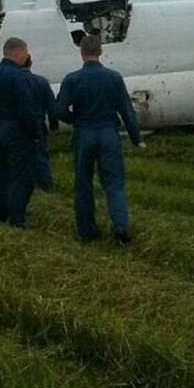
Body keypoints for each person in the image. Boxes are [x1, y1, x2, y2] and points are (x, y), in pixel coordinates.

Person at [56, 34, 146, 244]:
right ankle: (121, 228)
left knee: (83, 184)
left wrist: (75, 120)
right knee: (114, 183)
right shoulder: (114, 77)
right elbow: (126, 109)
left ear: (81, 53)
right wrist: (136, 138)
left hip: (84, 134)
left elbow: (59, 110)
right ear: (100, 52)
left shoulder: (72, 79)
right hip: (108, 133)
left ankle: (87, 231)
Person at [0, 37, 39, 228]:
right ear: (17, 53)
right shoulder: (18, 76)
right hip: (14, 129)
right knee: (19, 175)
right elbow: (26, 108)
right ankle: (17, 217)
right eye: (25, 52)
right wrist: (34, 132)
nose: (26, 56)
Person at [23, 55, 59, 191]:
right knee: (41, 157)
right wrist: (53, 125)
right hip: (38, 123)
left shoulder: (12, 82)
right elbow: (51, 106)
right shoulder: (41, 82)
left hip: (18, 125)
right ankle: (46, 185)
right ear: (31, 63)